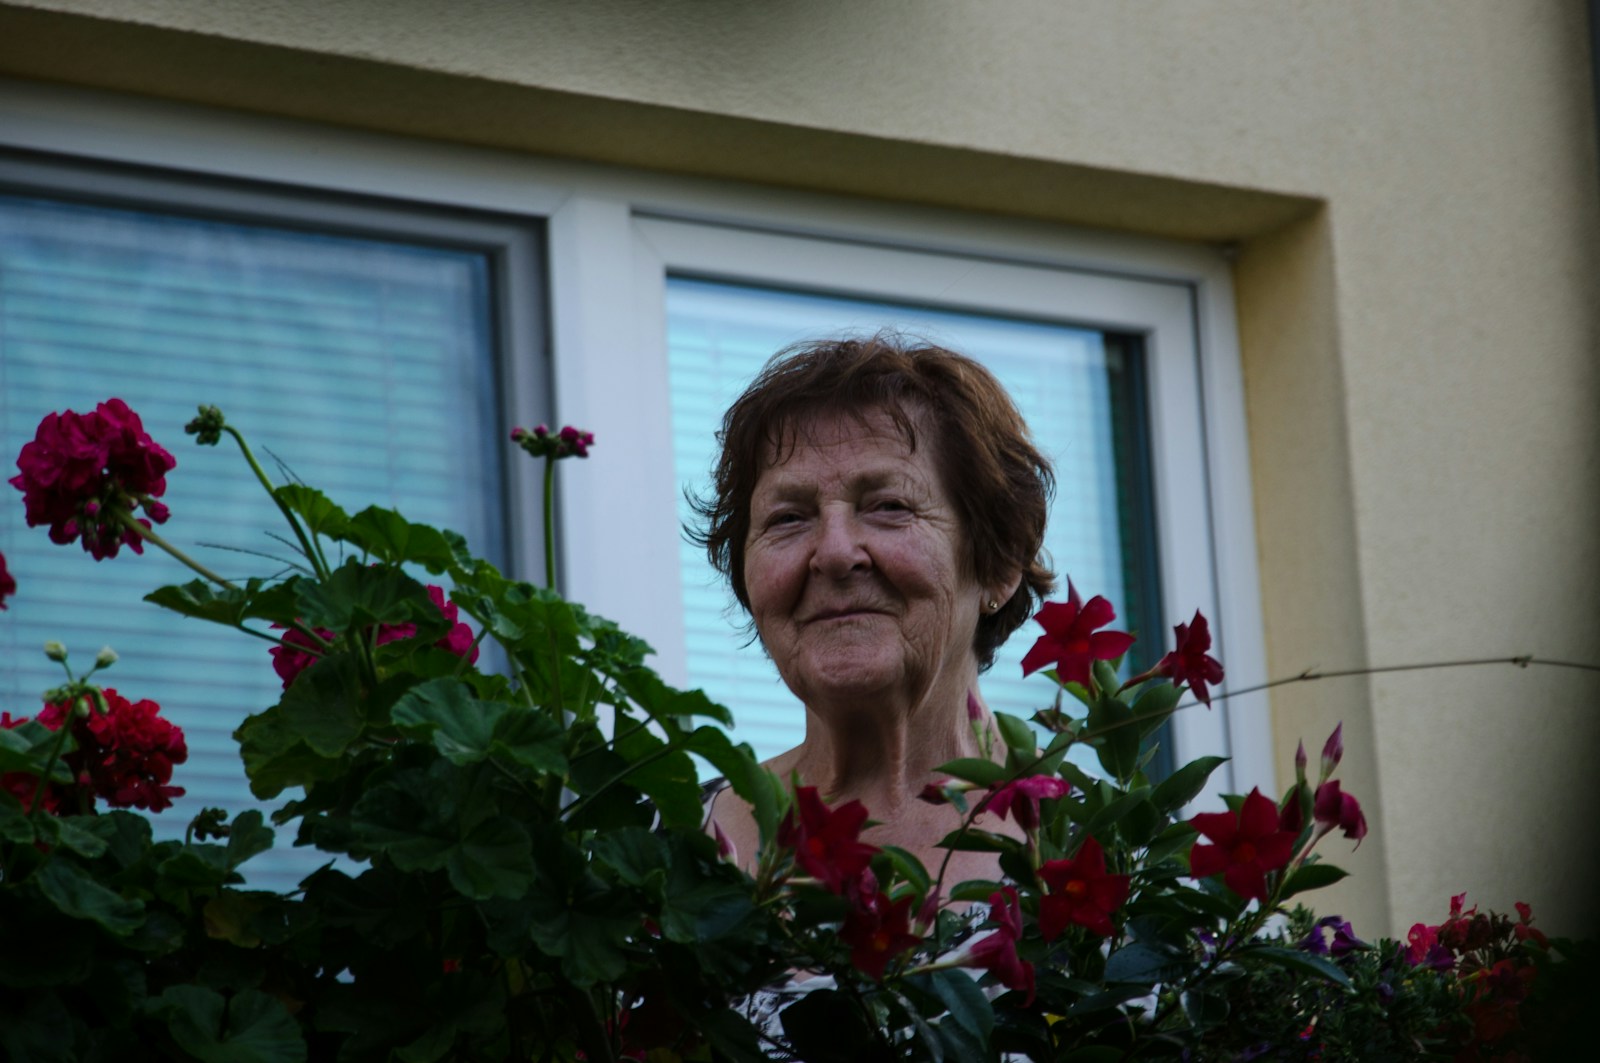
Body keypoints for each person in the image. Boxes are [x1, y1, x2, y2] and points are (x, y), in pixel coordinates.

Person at [692, 335, 1056, 886]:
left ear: (999, 564)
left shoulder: (1098, 853)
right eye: (788, 518)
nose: (835, 553)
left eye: (889, 507)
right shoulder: (668, 853)